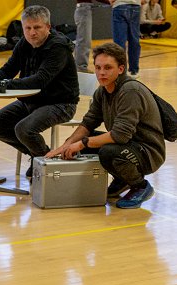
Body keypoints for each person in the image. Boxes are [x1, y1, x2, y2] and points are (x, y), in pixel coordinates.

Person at [45, 42, 165, 209]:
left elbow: (120, 136)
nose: (101, 73)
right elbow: (88, 122)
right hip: (128, 145)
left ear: (121, 69)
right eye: (98, 67)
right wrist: (67, 145)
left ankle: (140, 186)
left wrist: (81, 143)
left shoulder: (130, 91)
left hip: (148, 152)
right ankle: (122, 179)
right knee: (84, 142)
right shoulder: (102, 91)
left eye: (108, 68)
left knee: (108, 151)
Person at [0, 5, 79, 178]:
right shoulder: (24, 43)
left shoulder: (58, 47)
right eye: (27, 28)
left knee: (24, 129)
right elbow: (8, 69)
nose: (32, 33)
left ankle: (43, 160)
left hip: (60, 103)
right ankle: (40, 155)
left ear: (48, 26)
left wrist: (1, 85)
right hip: (31, 100)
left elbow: (40, 80)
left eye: (37, 27)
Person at [74, 0, 110, 73]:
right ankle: (81, 68)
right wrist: (108, 1)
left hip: (84, 8)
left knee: (83, 41)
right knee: (84, 41)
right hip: (84, 9)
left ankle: (80, 67)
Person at [110, 0, 141, 79]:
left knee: (119, 42)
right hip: (136, 5)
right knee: (134, 39)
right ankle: (134, 71)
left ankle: (121, 71)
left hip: (120, 4)